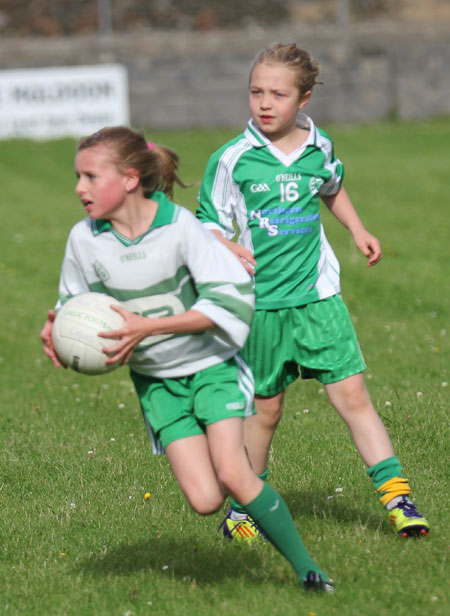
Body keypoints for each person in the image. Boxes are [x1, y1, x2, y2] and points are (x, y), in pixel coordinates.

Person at [40, 125, 334, 592]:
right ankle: (250, 510)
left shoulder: (180, 227)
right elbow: (75, 300)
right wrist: (57, 325)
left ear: (131, 178)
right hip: (157, 382)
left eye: (91, 177)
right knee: (204, 501)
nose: (80, 188)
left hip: (211, 366)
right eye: (79, 177)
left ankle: (309, 572)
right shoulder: (84, 239)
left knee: (235, 473)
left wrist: (147, 327)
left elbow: (231, 303)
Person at [197, 43, 430, 541]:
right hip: (258, 308)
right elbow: (205, 224)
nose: (264, 102)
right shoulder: (231, 159)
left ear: (303, 99)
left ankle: (399, 499)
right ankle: (245, 509)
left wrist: (357, 229)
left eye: (278, 94)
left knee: (352, 394)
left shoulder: (317, 145)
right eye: (256, 91)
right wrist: (225, 246)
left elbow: (331, 186)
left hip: (317, 297)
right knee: (265, 411)